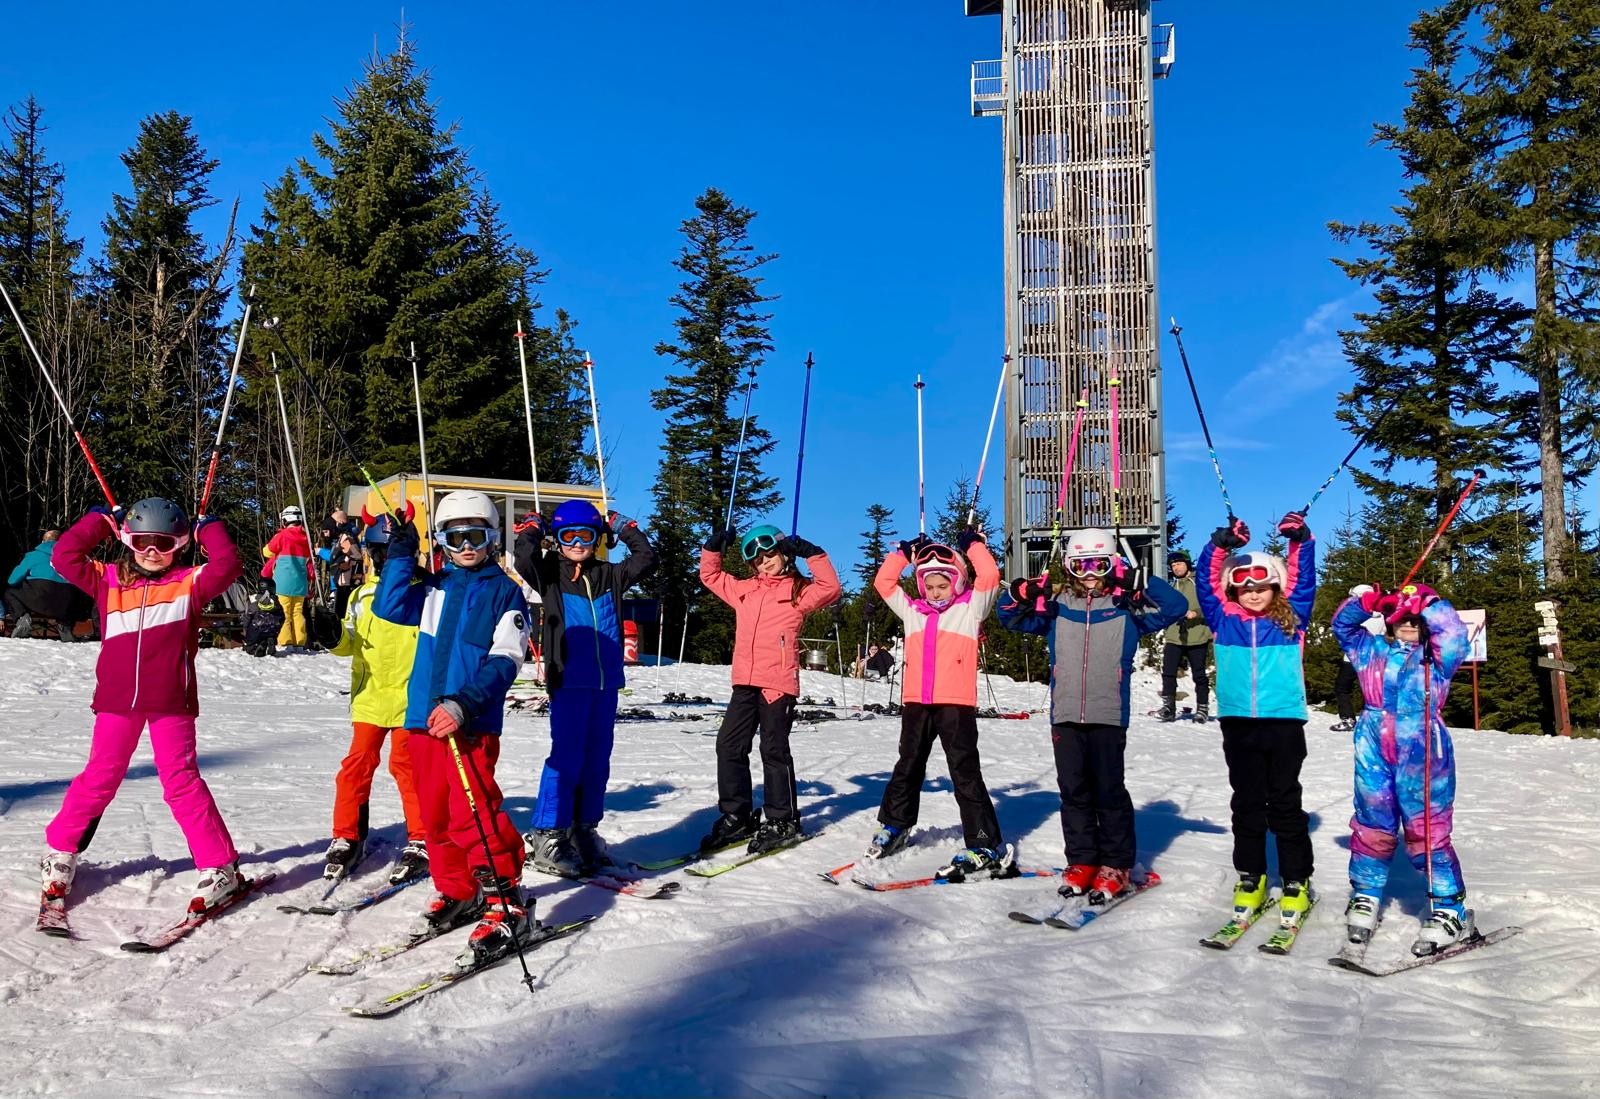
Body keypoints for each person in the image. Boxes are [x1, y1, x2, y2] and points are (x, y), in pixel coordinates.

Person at [38, 498, 250, 918]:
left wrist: (208, 528)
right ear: (128, 540)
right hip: (117, 700)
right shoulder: (107, 579)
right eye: (142, 542)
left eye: (163, 543)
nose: (152, 551)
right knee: (100, 775)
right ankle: (61, 851)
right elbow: (64, 556)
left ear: (180, 544)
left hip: (170, 700)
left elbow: (228, 565)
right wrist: (100, 521)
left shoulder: (190, 583)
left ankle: (219, 866)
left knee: (181, 782)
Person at [373, 490, 532, 961]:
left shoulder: (505, 592)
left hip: (469, 723)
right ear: (441, 541)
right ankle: (459, 889)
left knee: (473, 811)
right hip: (423, 719)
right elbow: (388, 605)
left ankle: (506, 900)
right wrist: (401, 553)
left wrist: (465, 704)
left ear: (492, 538)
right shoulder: (433, 587)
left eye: (476, 537)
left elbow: (507, 659)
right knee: (434, 814)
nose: (466, 546)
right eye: (455, 537)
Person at [998, 528, 1188, 901]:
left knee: (1108, 792)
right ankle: (1082, 859)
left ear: (1111, 565)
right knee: (1074, 792)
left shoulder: (1127, 607)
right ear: (1069, 566)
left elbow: (1175, 607)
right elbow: (1010, 617)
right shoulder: (1056, 607)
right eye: (1080, 565)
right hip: (1066, 713)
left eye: (1098, 565)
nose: (1089, 573)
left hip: (1108, 714)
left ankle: (1116, 863)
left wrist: (1141, 581)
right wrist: (1020, 593)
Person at [514, 500, 657, 876]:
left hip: (605, 682)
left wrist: (622, 526)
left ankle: (583, 828)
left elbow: (646, 558)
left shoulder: (610, 575)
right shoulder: (549, 573)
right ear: (557, 540)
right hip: (569, 680)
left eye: (586, 536)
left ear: (598, 539)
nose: (577, 543)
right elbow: (523, 558)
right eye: (568, 536)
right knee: (567, 756)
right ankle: (548, 833)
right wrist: (534, 527)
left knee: (597, 757)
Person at [1333, 581, 1473, 956]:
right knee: (1372, 822)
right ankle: (1366, 893)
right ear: (1390, 621)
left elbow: (1454, 634)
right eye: (1402, 617)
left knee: (1427, 827)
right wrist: (1366, 602)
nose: (1409, 623)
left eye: (1416, 618)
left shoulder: (1437, 659)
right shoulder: (1370, 650)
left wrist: (1428, 603)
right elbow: (1343, 626)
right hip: (1373, 745)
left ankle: (1449, 908)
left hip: (1423, 749)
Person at [1195, 512, 1318, 931]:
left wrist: (1300, 541)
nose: (1252, 593)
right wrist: (1220, 546)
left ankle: (1296, 879)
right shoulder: (1222, 618)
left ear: (1275, 588)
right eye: (1244, 587)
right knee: (1246, 802)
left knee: (1284, 801)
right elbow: (1205, 582)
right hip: (1237, 722)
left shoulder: (1292, 618)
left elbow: (1303, 579)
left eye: (1261, 587)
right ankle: (1251, 875)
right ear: (1233, 588)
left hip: (1283, 722)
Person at [696, 523, 843, 856]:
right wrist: (713, 548)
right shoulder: (744, 590)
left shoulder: (798, 591)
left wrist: (812, 553)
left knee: (773, 750)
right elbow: (711, 576)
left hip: (777, 684)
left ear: (784, 553)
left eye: (770, 554)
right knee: (728, 745)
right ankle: (737, 815)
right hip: (745, 683)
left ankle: (782, 820)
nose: (765, 562)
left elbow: (831, 588)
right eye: (758, 559)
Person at [867, 529, 1008, 877]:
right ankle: (895, 825)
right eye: (928, 586)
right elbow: (884, 583)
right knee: (908, 765)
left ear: (957, 582)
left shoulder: (970, 609)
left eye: (942, 585)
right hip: (916, 702)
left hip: (955, 705)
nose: (935, 592)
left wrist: (973, 545)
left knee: (964, 771)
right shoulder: (912, 611)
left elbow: (990, 575)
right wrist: (904, 554)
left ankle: (983, 842)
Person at [321, 513, 428, 886]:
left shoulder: (424, 593)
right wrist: (332, 636)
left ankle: (421, 837)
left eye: (389, 551)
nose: (382, 559)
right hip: (370, 696)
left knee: (406, 767)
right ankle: (347, 835)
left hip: (409, 698)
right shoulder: (361, 595)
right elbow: (350, 644)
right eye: (376, 551)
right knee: (356, 766)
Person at [4, 529, 91, 641]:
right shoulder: (72, 558)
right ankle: (65, 625)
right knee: (76, 594)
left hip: (38, 599)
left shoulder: (33, 556)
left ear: (43, 541)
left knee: (10, 592)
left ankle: (22, 619)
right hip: (66, 603)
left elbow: (12, 580)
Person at [1157, 549, 1212, 723]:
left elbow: (1211, 605)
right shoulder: (1172, 586)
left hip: (1197, 635)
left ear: (1187, 564)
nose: (1176, 568)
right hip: (1174, 635)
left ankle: (1202, 708)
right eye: (1173, 565)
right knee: (1168, 673)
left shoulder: (1199, 584)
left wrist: (1196, 613)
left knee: (1199, 675)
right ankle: (1169, 708)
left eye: (1179, 564)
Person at [262, 506, 314, 652]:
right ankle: (300, 642)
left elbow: (267, 552)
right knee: (297, 612)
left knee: (284, 612)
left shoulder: (282, 535)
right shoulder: (306, 538)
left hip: (283, 582)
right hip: (300, 583)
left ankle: (286, 642)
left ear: (285, 520)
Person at [320, 530, 364, 619]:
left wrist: (345, 561)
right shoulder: (340, 540)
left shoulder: (345, 538)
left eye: (326, 531)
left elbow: (356, 556)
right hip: (343, 580)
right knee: (342, 607)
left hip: (346, 580)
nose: (326, 535)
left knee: (343, 609)